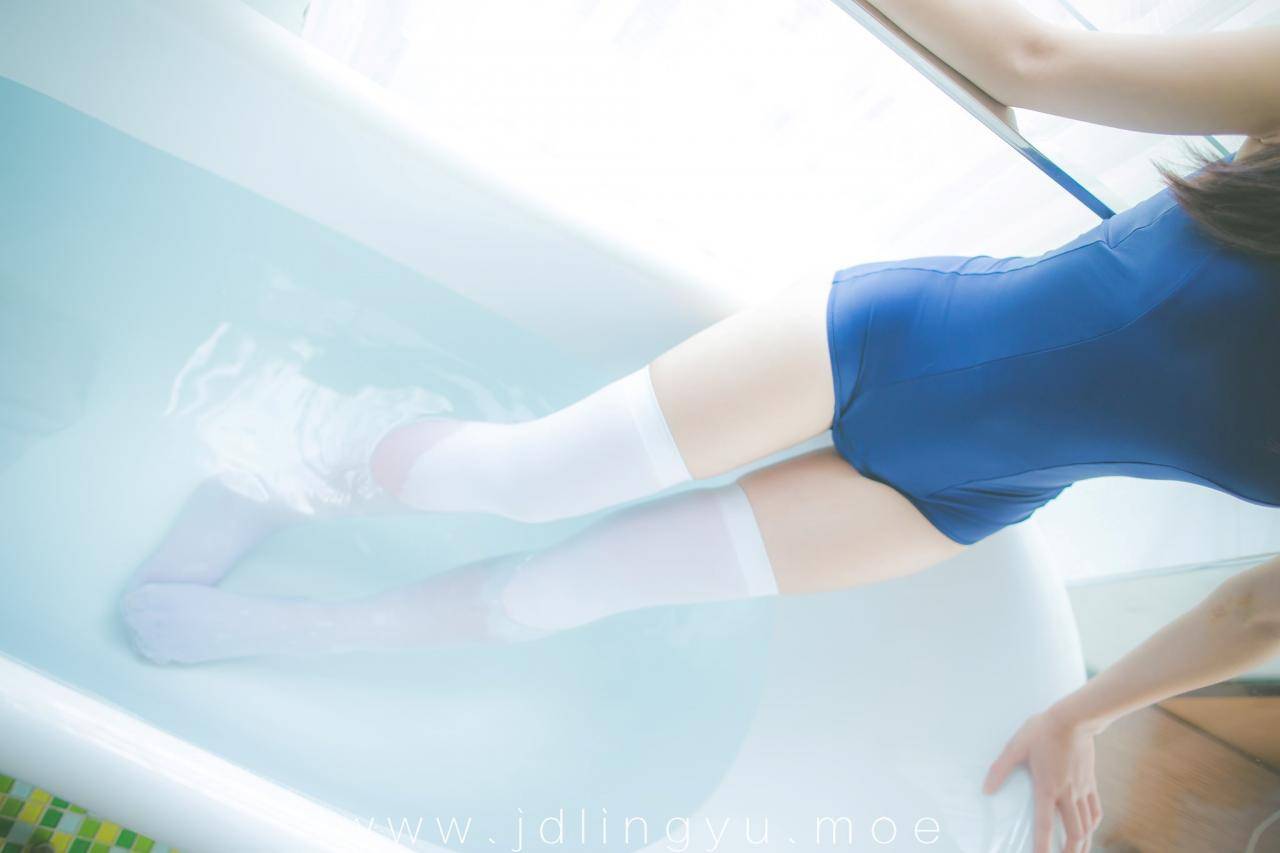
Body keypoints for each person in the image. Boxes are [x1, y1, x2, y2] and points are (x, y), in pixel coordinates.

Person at [120, 3, 1280, 852]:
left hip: (967, 495)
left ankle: (312, 627)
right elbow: (1033, 59)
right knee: (523, 480)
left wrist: (1077, 711)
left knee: (556, 593)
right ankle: (262, 481)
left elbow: (1257, 612)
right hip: (888, 341)